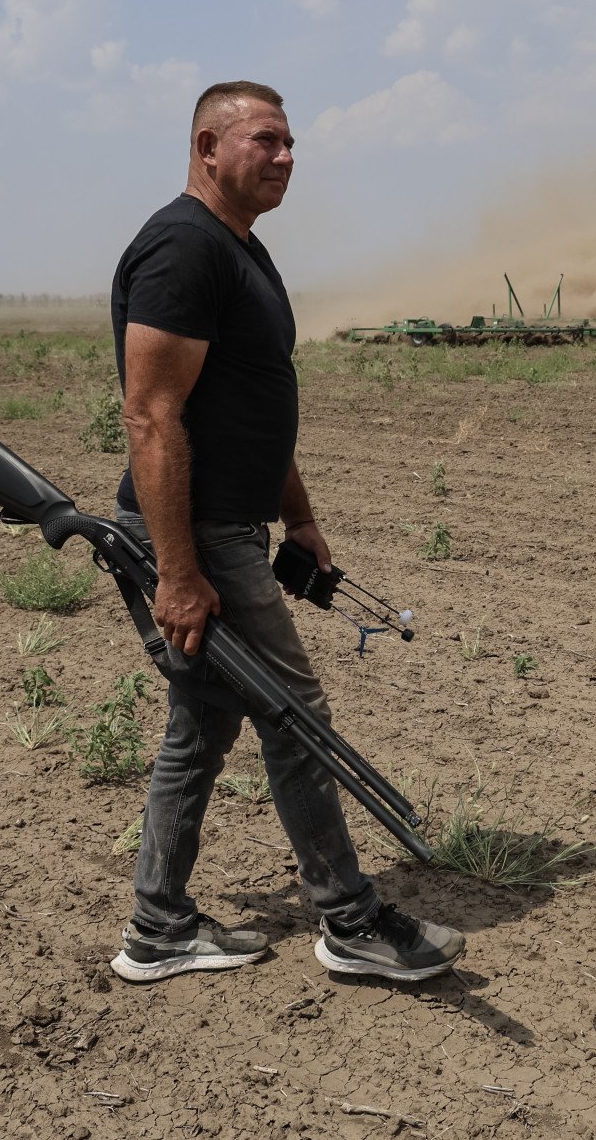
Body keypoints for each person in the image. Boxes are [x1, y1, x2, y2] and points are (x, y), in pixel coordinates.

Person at [106, 80, 464, 985]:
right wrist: (180, 571)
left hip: (230, 523)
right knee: (296, 716)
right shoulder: (184, 249)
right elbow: (151, 416)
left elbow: (256, 403)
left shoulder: (243, 253)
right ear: (206, 145)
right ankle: (351, 920)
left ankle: (158, 927)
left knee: (204, 723)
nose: (287, 156)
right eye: (266, 141)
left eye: (292, 142)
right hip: (196, 534)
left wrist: (297, 514)